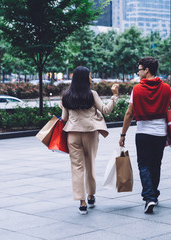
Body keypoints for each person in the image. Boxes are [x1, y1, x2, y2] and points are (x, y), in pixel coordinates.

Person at [119, 57, 171, 214]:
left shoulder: (137, 89)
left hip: (143, 134)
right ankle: (154, 194)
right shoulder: (167, 88)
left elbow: (129, 114)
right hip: (160, 134)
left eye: (139, 69)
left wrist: (123, 134)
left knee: (144, 165)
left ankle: (149, 197)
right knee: (155, 164)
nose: (138, 72)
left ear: (146, 70)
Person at [60, 66, 119, 215]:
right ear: (86, 78)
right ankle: (91, 195)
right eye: (90, 76)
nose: (91, 78)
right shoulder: (92, 94)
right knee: (90, 164)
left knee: (77, 168)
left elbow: (64, 118)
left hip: (72, 134)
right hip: (90, 133)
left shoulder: (66, 96)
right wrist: (114, 96)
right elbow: (106, 110)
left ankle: (82, 202)